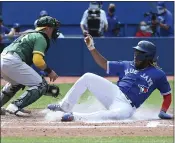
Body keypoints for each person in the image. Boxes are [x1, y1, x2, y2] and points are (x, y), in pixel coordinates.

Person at [47, 34, 173, 122]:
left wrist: (163, 110)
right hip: (114, 92)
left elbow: (167, 94)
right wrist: (92, 48)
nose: (136, 56)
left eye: (139, 54)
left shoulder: (158, 74)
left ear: (148, 57)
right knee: (87, 77)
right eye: (135, 53)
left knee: (118, 115)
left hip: (128, 105)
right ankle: (65, 106)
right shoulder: (126, 64)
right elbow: (104, 64)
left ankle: (75, 116)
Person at [0, 16, 60, 116]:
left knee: (16, 83)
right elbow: (37, 61)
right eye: (53, 28)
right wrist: (50, 72)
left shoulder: (30, 34)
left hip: (3, 59)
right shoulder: (41, 37)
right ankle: (16, 106)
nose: (55, 30)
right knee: (41, 85)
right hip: (12, 61)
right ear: (47, 28)